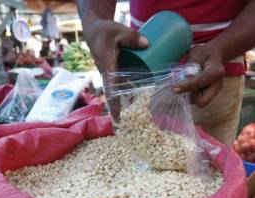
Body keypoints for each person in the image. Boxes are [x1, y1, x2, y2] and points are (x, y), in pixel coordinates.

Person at [77, 0, 255, 145]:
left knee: (205, 171)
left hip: (210, 75)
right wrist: (94, 20)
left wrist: (221, 49)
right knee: (133, 154)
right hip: (137, 65)